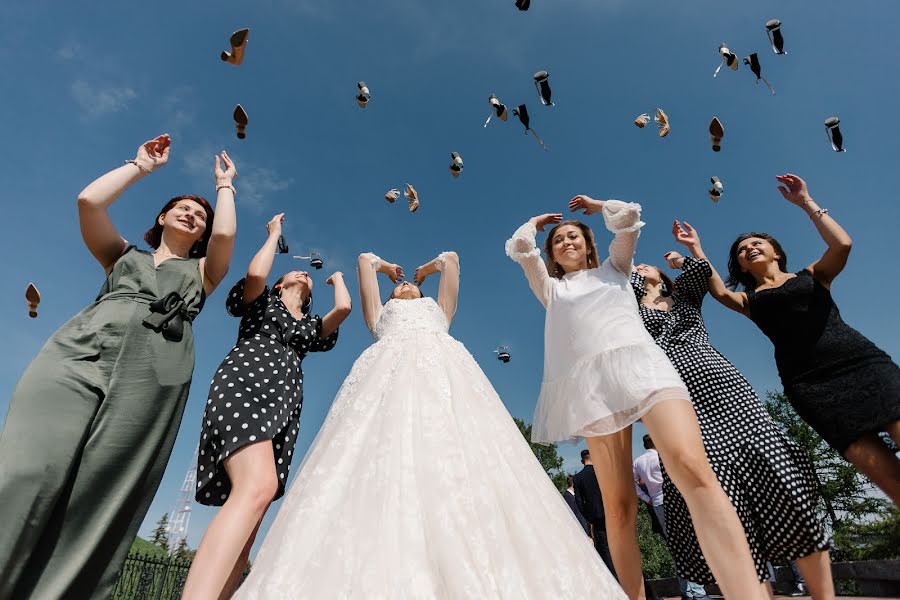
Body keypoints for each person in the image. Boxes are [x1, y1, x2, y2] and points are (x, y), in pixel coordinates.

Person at [231, 251, 625, 598]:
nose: (404, 287)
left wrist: (424, 271)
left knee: (461, 463)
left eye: (411, 287)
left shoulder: (441, 312)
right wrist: (387, 269)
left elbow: (452, 259)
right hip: (387, 382)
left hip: (449, 383)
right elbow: (365, 259)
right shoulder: (378, 317)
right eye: (398, 287)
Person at [0, 134, 237, 599]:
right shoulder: (122, 256)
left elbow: (226, 236)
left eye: (201, 214)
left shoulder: (204, 272)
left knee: (100, 493)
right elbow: (89, 202)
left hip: (158, 366)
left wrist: (224, 186)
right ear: (162, 217)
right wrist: (141, 166)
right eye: (183, 207)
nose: (193, 213)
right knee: (25, 470)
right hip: (79, 351)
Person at [506, 195, 766, 599]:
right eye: (558, 240)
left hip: (643, 369)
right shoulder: (551, 288)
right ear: (552, 254)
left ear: (588, 244)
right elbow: (522, 247)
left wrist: (595, 205)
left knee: (693, 468)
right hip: (591, 389)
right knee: (619, 508)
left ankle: (746, 592)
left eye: (573, 235)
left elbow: (627, 220)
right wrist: (536, 222)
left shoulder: (616, 268)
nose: (566, 242)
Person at [630, 233, 832, 597]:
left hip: (721, 381)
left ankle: (823, 592)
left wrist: (687, 254)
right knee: (718, 493)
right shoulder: (630, 308)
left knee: (774, 468)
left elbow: (701, 271)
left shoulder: (683, 297)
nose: (641, 265)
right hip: (674, 393)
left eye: (648, 265)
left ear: (662, 277)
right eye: (637, 266)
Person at [689, 173, 899, 505]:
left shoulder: (814, 275)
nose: (749, 248)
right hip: (811, 387)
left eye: (756, 242)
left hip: (864, 365)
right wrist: (696, 249)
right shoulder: (749, 301)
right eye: (742, 250)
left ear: (775, 251)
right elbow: (718, 291)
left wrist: (805, 201)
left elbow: (842, 244)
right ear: (741, 267)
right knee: (889, 478)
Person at [182, 213, 350, 599]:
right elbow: (256, 275)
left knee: (254, 513)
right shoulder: (260, 303)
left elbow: (341, 311)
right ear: (280, 285)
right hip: (244, 385)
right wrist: (274, 235)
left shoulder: (308, 328)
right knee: (259, 486)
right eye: (295, 276)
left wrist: (337, 279)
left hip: (284, 406)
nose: (303, 277)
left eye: (307, 281)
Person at [633, 436, 709, 600]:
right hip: (674, 500)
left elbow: (633, 484)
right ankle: (698, 591)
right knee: (690, 543)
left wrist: (647, 499)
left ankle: (686, 590)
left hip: (657, 503)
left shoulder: (638, 461)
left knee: (675, 547)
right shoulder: (662, 456)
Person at [574, 449, 617, 576]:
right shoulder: (603, 473)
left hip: (596, 517)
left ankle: (614, 577)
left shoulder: (578, 478)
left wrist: (588, 517)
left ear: (582, 461)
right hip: (612, 513)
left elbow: (579, 501)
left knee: (605, 548)